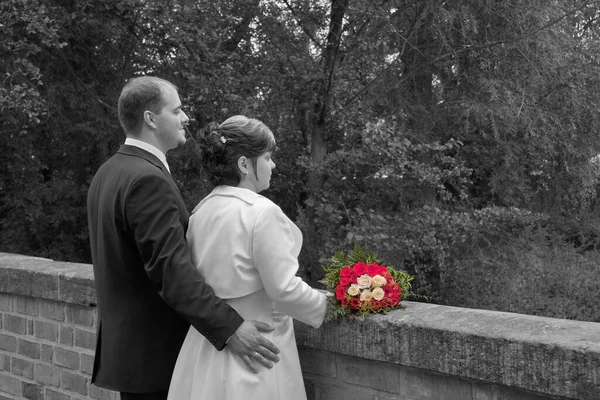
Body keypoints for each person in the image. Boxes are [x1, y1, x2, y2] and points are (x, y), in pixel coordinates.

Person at [87, 77, 280, 400]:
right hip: (156, 357)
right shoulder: (147, 179)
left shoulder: (108, 172)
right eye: (176, 110)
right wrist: (230, 328)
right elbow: (170, 272)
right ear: (151, 118)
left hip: (132, 354)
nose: (186, 118)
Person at [167, 115, 328, 400]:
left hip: (207, 346)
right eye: (267, 157)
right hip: (258, 348)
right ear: (244, 165)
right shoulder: (261, 212)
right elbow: (284, 289)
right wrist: (327, 305)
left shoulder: (200, 212)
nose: (273, 165)